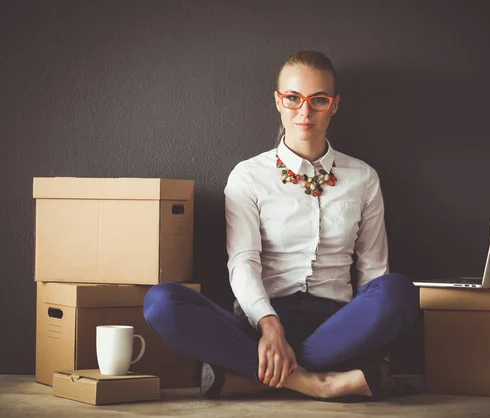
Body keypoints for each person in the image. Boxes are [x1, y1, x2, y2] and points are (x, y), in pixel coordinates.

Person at [143, 50, 419, 402]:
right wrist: (269, 326)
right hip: (259, 325)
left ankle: (247, 378)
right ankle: (316, 384)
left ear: (334, 105)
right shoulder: (248, 176)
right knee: (161, 302)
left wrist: (368, 332)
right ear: (278, 101)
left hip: (335, 328)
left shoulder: (363, 177)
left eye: (318, 100)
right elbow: (243, 261)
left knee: (397, 290)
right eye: (293, 98)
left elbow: (373, 273)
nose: (305, 112)